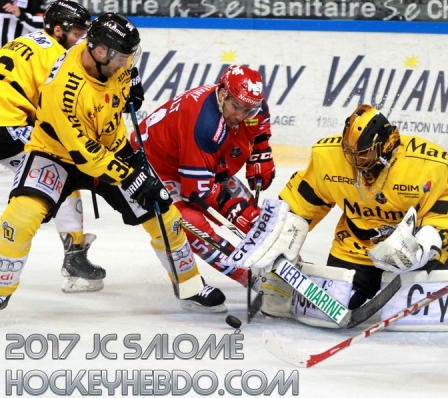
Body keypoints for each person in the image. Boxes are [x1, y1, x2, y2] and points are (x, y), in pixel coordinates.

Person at [0, 13, 225, 313]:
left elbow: (127, 71)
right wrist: (131, 176)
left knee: (164, 215)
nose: (126, 63)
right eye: (122, 58)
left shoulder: (110, 56)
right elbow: (87, 155)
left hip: (112, 147)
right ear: (101, 52)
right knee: (19, 219)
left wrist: (133, 81)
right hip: (55, 153)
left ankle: (190, 285)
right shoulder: (63, 91)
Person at [276, 104, 448, 310]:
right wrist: (280, 231)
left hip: (410, 253)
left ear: (385, 146)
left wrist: (424, 247)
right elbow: (304, 198)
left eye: (364, 154)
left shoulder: (428, 164)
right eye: (349, 152)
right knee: (330, 308)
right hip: (356, 250)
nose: (355, 161)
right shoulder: (329, 156)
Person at [0, 1, 110, 294]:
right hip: (7, 125)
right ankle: (74, 258)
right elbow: (54, 110)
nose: (83, 40)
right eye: (77, 33)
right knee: (60, 174)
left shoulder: (22, 43)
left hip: (8, 121)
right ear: (57, 30)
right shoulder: (60, 56)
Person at [132, 64, 274, 288]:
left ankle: (285, 265)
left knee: (255, 218)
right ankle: (247, 280)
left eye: (248, 110)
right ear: (224, 93)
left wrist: (261, 153)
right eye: (236, 107)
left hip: (194, 160)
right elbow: (197, 191)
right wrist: (234, 211)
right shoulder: (204, 124)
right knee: (188, 224)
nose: (240, 115)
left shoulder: (249, 104)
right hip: (153, 167)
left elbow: (260, 121)